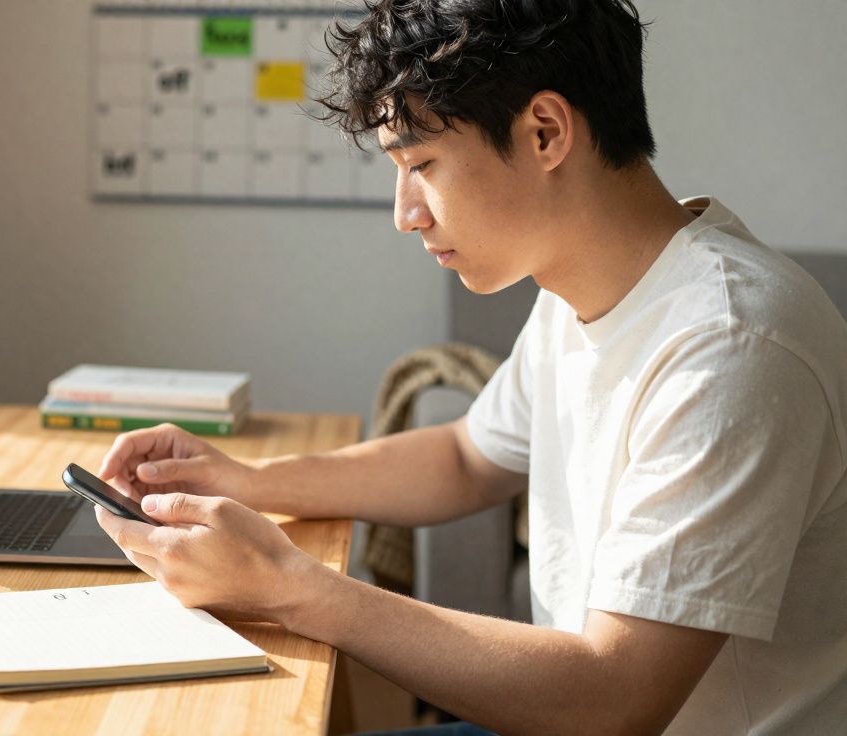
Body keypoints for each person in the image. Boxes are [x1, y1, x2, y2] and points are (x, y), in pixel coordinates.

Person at [92, 0, 847, 734]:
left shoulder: (732, 344)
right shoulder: (578, 285)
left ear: (546, 131)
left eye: (420, 163)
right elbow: (465, 458)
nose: (405, 212)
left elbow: (615, 700)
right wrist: (249, 480)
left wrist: (292, 588)